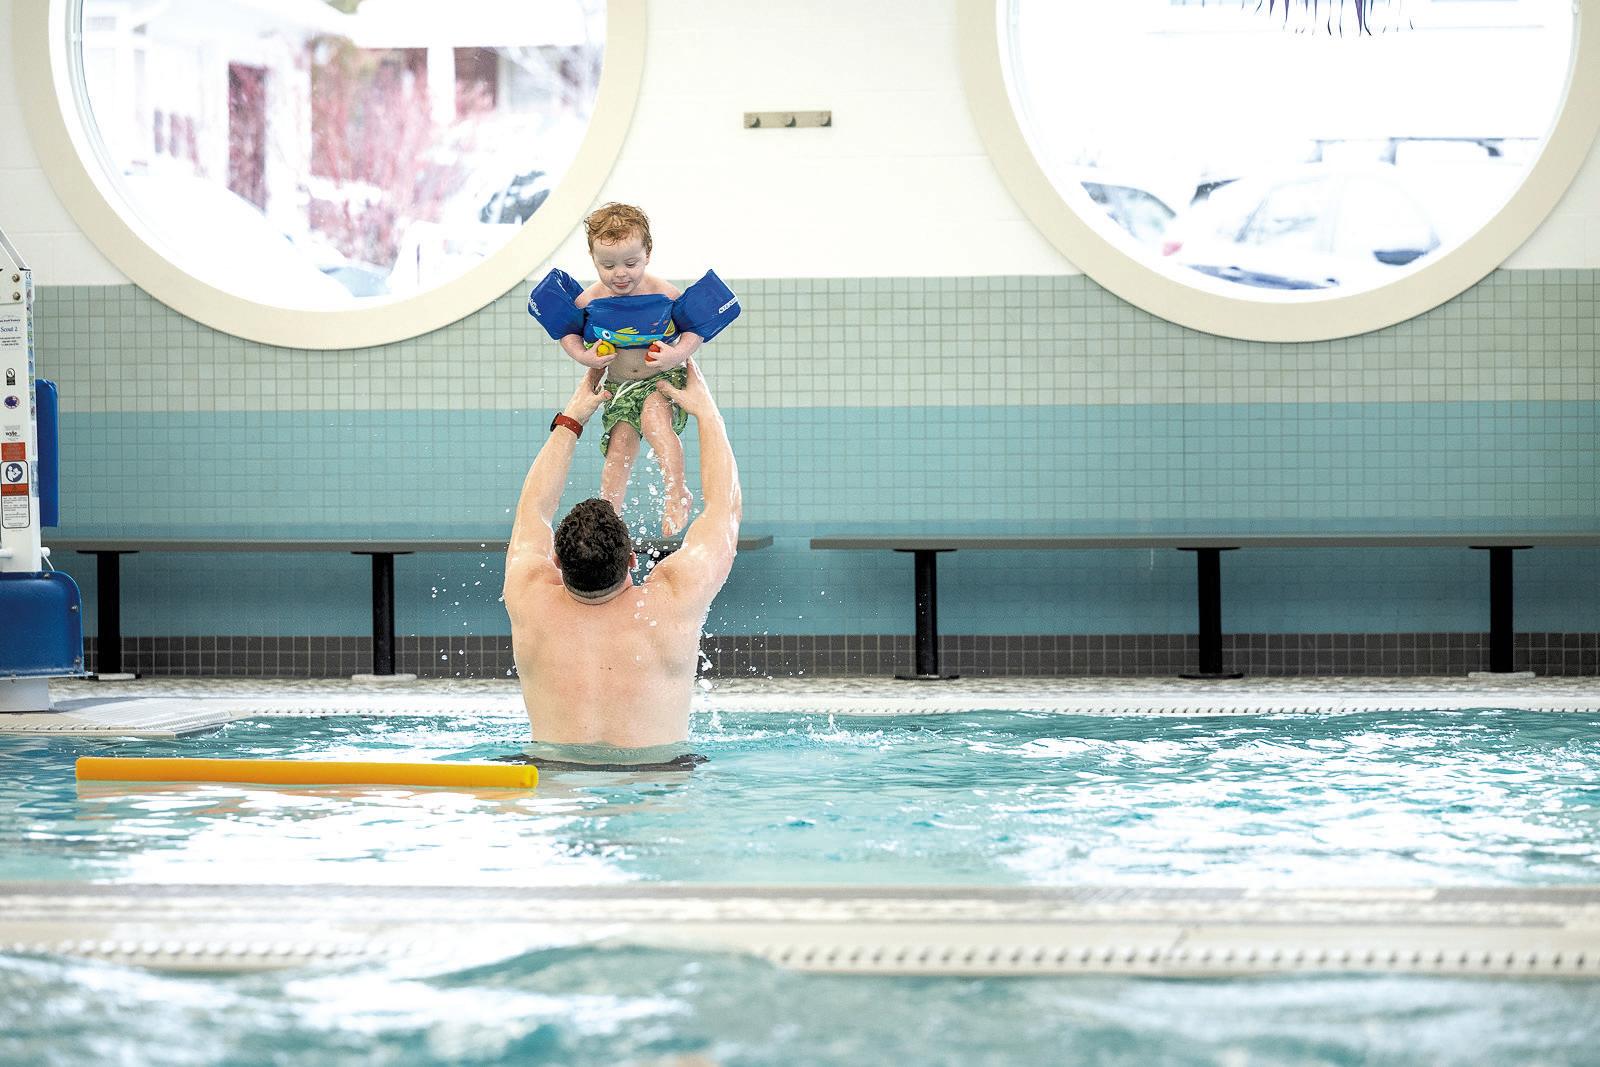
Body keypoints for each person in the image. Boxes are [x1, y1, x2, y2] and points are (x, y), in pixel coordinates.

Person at [503, 358, 741, 755]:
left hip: (554, 775)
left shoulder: (529, 595)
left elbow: (533, 509)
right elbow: (724, 510)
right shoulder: (672, 599)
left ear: (557, 561)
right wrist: (707, 414)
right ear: (633, 559)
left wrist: (572, 419)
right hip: (657, 778)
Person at [559, 203, 705, 537]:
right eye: (608, 265)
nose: (620, 274)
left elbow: (695, 329)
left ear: (647, 254)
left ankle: (676, 493)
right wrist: (584, 356)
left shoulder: (665, 294)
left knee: (654, 422)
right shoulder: (589, 300)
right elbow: (567, 332)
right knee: (619, 448)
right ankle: (611, 521)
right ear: (593, 258)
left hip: (661, 379)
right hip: (620, 386)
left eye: (631, 263)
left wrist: (676, 354)